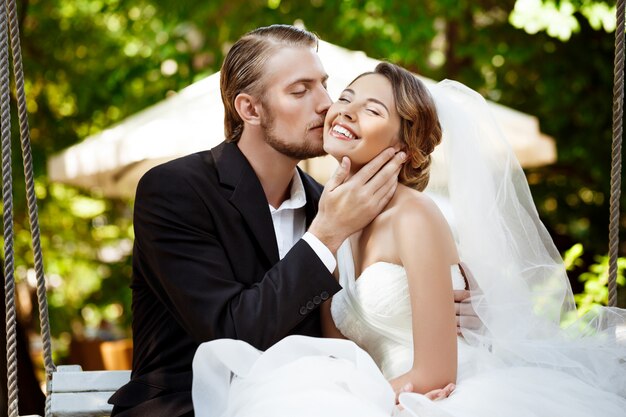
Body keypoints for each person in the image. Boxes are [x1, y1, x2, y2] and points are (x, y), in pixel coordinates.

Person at [191, 63, 626, 417]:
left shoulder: (415, 215)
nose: (344, 111)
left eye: (373, 110)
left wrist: (355, 403)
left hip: (440, 396)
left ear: (408, 144)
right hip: (378, 395)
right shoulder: (332, 220)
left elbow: (436, 373)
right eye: (346, 99)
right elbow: (339, 353)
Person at [109, 25, 417, 417]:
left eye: (324, 85)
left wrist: (433, 305)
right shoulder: (174, 191)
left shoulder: (328, 204)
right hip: (190, 406)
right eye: (300, 91)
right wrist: (326, 235)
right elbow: (232, 334)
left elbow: (350, 325)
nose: (326, 105)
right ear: (250, 109)